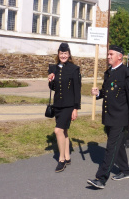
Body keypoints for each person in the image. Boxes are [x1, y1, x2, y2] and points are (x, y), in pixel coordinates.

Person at [87, 45, 129, 189]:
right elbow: (107, 91)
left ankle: (101, 179)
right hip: (109, 115)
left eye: (111, 54)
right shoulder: (109, 72)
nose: (108, 56)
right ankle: (125, 170)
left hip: (120, 117)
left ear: (119, 56)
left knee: (110, 147)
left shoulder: (127, 73)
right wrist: (98, 93)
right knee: (118, 144)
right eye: (108, 54)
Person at [48, 42, 81, 173]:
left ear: (69, 54)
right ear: (58, 54)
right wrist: (50, 80)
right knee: (64, 131)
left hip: (69, 105)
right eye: (61, 53)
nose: (63, 56)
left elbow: (77, 90)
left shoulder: (74, 69)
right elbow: (53, 88)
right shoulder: (53, 68)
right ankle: (67, 156)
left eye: (65, 53)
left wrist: (76, 108)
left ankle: (61, 160)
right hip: (58, 105)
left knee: (58, 131)